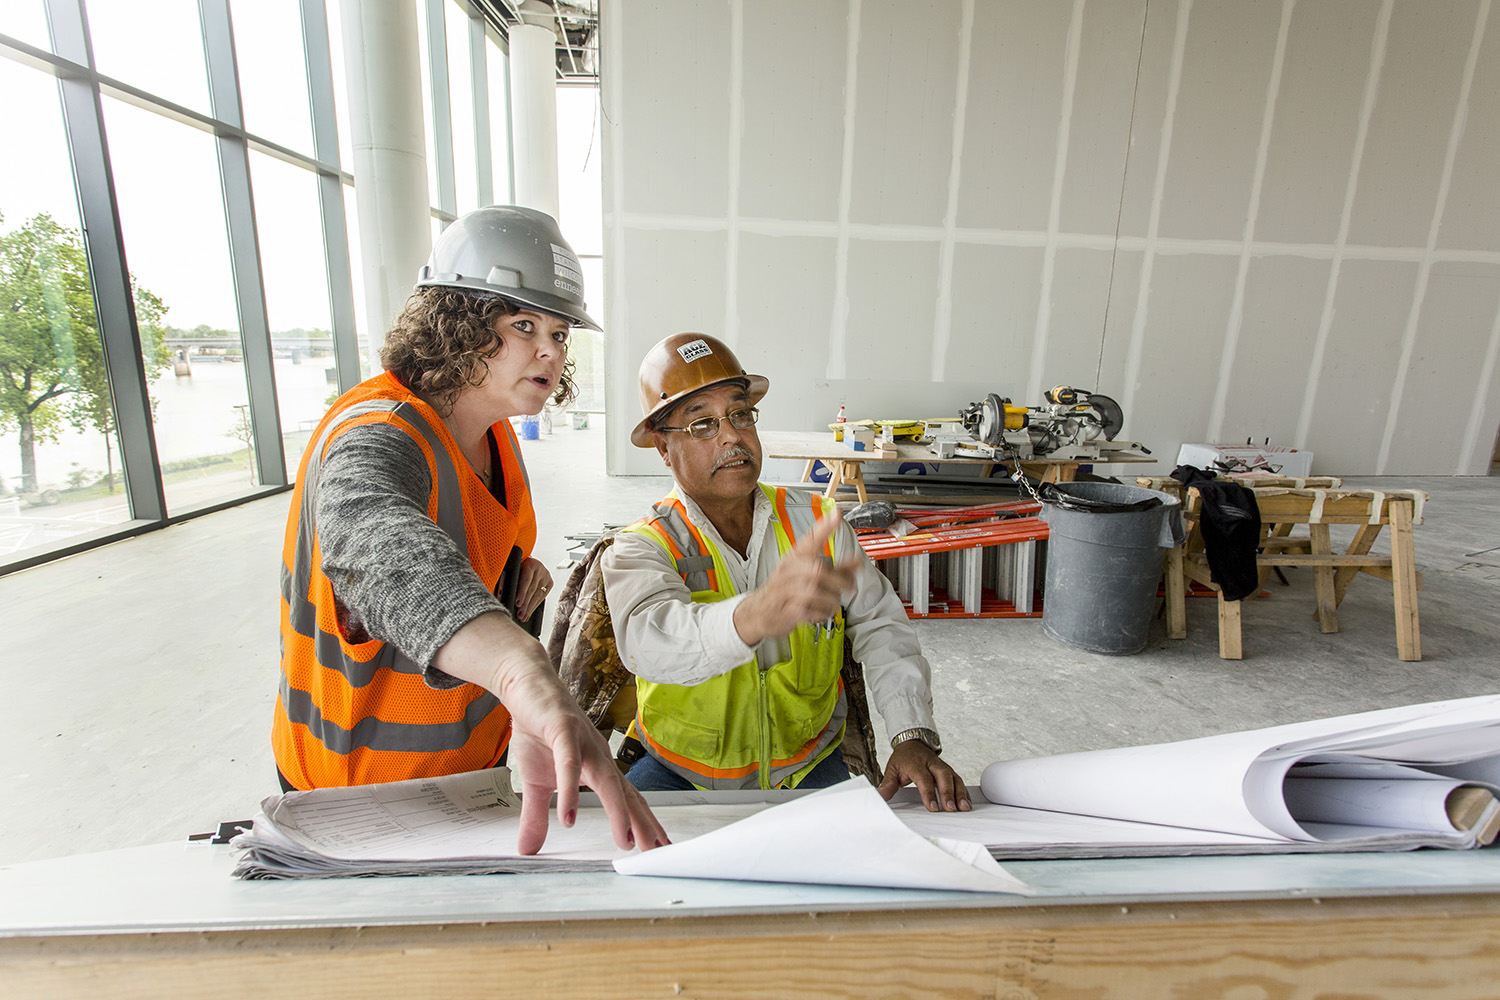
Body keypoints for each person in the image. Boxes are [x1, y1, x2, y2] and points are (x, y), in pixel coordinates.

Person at [272, 206, 667, 856]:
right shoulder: (376, 430)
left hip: (470, 784)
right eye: (522, 325)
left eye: (561, 332)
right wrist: (520, 670)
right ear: (455, 323)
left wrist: (516, 586)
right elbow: (379, 549)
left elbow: (475, 549)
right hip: (353, 801)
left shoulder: (496, 439)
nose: (550, 349)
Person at [601, 333, 971, 812]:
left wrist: (911, 733)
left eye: (739, 415)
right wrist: (754, 616)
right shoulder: (641, 546)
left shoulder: (818, 523)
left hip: (809, 763)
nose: (732, 436)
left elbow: (881, 627)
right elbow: (651, 644)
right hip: (678, 769)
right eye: (702, 425)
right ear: (662, 448)